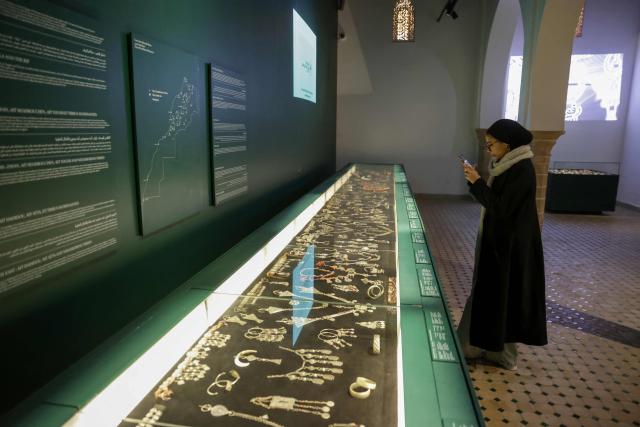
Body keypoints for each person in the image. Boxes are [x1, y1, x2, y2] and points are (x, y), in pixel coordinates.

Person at [457, 118, 547, 370]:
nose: (488, 149)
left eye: (490, 144)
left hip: (510, 248)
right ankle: (476, 346)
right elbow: (496, 202)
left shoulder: (522, 170)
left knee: (504, 298)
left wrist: (476, 182)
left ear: (507, 145)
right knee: (491, 296)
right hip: (500, 243)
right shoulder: (507, 165)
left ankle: (496, 352)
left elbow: (500, 208)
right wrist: (475, 181)